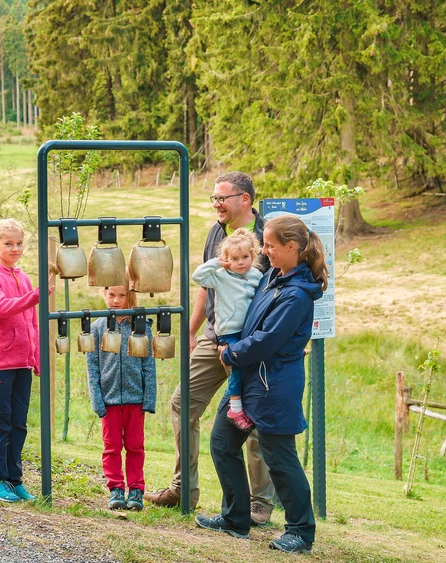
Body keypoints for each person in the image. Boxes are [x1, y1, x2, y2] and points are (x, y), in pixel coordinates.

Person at [145, 171, 276, 525]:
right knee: (181, 402)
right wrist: (192, 331)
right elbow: (208, 285)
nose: (216, 204)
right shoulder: (216, 233)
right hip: (214, 337)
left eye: (223, 198)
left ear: (244, 200)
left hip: (251, 345)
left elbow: (277, 293)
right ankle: (182, 489)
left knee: (253, 416)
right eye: (214, 198)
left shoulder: (268, 236)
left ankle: (259, 503)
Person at [195, 215, 327, 554]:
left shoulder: (296, 295)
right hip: (250, 380)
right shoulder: (272, 276)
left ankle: (300, 531)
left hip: (273, 387)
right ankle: (236, 518)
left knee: (280, 459)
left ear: (292, 247)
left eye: (270, 245)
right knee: (222, 444)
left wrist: (232, 353)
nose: (264, 250)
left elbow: (269, 340)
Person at [0, 218, 54, 503]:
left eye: (19, 243)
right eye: (8, 243)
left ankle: (13, 479)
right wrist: (36, 296)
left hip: (21, 363)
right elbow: (1, 308)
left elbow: (32, 324)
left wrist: (36, 357)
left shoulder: (23, 277)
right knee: (0, 421)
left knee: (18, 423)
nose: (15, 248)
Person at [86, 278, 158, 511]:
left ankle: (136, 489)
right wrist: (97, 400)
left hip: (135, 399)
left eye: (122, 295)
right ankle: (116, 488)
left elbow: (148, 365)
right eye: (111, 295)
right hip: (109, 401)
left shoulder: (141, 326)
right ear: (103, 295)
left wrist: (149, 398)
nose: (116, 301)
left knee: (136, 446)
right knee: (112, 447)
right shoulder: (96, 328)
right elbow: (92, 366)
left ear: (130, 296)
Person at [191, 229, 262, 432]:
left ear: (252, 256)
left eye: (245, 257)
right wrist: (218, 263)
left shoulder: (256, 276)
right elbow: (198, 276)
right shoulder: (220, 277)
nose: (241, 263)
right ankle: (235, 407)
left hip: (248, 330)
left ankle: (247, 406)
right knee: (236, 368)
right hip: (229, 332)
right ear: (226, 259)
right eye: (235, 258)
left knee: (249, 370)